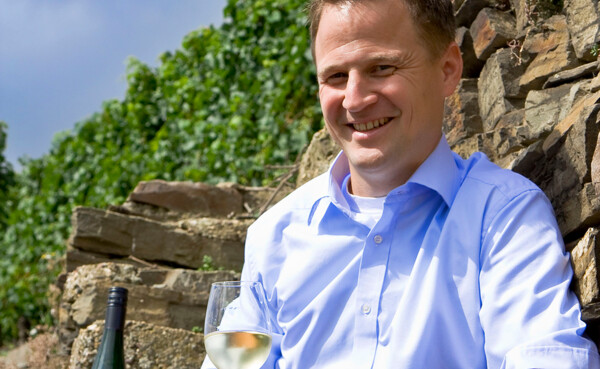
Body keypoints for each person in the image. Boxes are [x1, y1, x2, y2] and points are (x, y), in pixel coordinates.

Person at [203, 0, 600, 367]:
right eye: (336, 76)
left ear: (448, 70)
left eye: (382, 68)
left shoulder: (504, 219)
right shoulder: (274, 238)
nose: (355, 100)